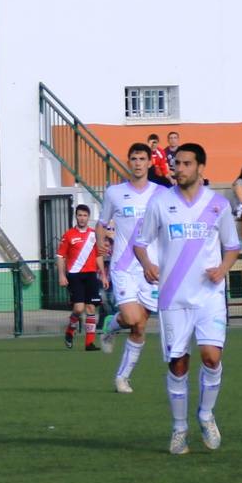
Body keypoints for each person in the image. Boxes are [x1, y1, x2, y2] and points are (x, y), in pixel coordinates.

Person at [133, 142, 240, 455]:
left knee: (211, 357)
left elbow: (232, 247)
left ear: (200, 168)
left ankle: (206, 415)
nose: (179, 169)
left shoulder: (218, 205)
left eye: (186, 163)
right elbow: (140, 242)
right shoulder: (160, 202)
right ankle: (179, 429)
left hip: (209, 296)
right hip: (173, 297)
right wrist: (147, 264)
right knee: (178, 364)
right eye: (176, 163)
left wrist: (223, 269)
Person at [96, 143, 164, 390]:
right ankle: (113, 323)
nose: (138, 163)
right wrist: (100, 242)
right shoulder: (114, 192)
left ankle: (122, 377)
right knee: (131, 317)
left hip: (150, 267)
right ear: (128, 162)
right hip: (123, 265)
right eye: (134, 158)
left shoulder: (162, 193)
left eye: (142, 158)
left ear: (149, 163)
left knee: (140, 325)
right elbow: (101, 222)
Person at [57, 204, 105, 351]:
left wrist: (103, 275)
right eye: (79, 215)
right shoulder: (69, 235)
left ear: (88, 217)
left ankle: (89, 343)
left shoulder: (93, 235)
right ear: (76, 217)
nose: (82, 218)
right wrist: (61, 275)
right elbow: (60, 256)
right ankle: (70, 330)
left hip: (91, 275)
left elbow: (98, 256)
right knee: (78, 309)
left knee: (91, 308)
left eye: (85, 215)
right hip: (75, 275)